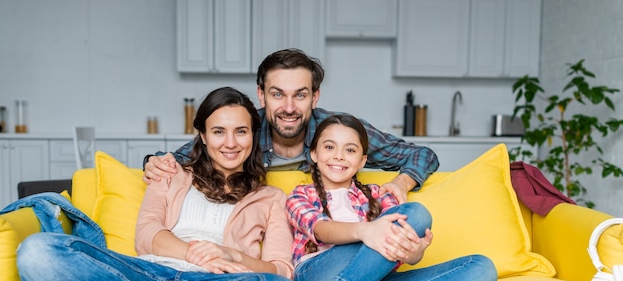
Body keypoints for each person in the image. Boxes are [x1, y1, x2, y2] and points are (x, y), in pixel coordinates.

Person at [14, 87, 306, 281]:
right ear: (203, 135)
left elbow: (281, 271)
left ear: (254, 135)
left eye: (240, 131)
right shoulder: (169, 172)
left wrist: (232, 255)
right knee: (36, 252)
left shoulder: (271, 197)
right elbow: (147, 235)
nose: (230, 143)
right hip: (148, 277)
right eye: (218, 131)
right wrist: (195, 253)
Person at [286, 114, 498, 281]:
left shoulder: (379, 195)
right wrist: (366, 231)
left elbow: (399, 242)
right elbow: (320, 230)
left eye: (350, 150)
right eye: (329, 147)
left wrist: (413, 253)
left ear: (363, 160)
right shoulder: (300, 195)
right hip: (320, 280)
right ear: (314, 154)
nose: (339, 156)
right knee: (408, 216)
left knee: (481, 269)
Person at [144, 48, 439, 204]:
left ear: (315, 96)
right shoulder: (243, 131)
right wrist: (153, 163)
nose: (288, 108)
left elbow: (423, 155)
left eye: (300, 95)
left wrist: (402, 183)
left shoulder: (338, 132)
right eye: (277, 94)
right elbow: (175, 159)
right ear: (261, 95)